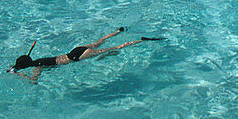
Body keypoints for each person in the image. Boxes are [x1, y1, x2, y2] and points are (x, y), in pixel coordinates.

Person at [8, 27, 165, 82]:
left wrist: (18, 75)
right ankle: (118, 31)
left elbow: (33, 81)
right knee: (101, 41)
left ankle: (141, 40)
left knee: (116, 48)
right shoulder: (38, 60)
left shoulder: (38, 67)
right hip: (75, 50)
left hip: (77, 57)